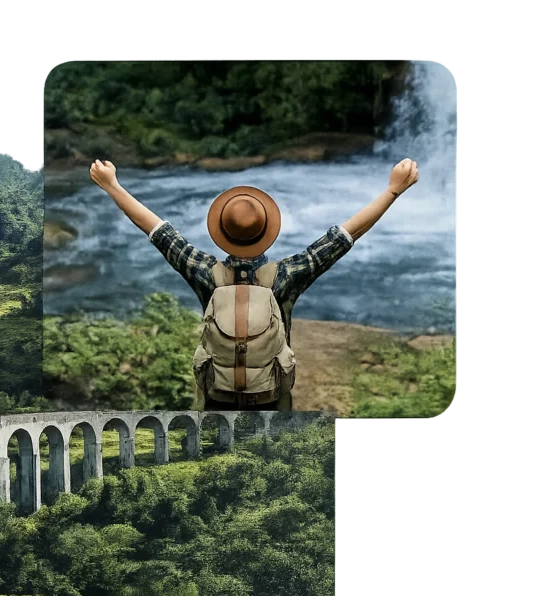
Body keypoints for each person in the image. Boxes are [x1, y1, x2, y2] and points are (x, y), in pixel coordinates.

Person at [89, 157, 420, 411]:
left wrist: (112, 186)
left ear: (221, 233)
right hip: (271, 395)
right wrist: (392, 190)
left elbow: (158, 231)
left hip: (217, 394)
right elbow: (345, 235)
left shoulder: (205, 272)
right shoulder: (287, 276)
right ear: (267, 233)